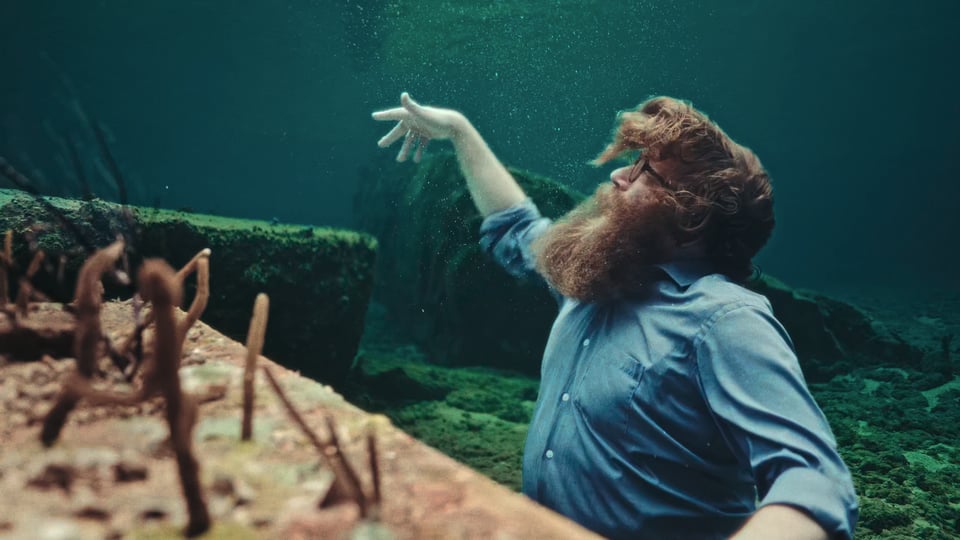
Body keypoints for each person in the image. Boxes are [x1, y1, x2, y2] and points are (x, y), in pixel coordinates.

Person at [372, 92, 858, 540]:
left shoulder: (726, 321)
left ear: (692, 216)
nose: (618, 176)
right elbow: (517, 230)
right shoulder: (599, 274)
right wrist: (458, 129)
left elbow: (814, 479)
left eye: (646, 171)